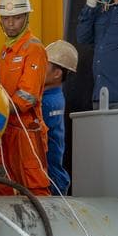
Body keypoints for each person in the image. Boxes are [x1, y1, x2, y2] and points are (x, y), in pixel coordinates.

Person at [0, 0, 50, 196]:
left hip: (26, 129)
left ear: (26, 17)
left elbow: (28, 95)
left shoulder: (33, 48)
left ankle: (47, 223)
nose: (10, 23)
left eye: (16, 18)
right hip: (6, 126)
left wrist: (1, 108)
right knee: (3, 181)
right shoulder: (6, 51)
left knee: (34, 182)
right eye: (6, 19)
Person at [43, 40, 77, 195]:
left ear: (57, 73)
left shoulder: (48, 102)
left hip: (51, 180)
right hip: (53, 176)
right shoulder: (54, 96)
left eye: (44, 65)